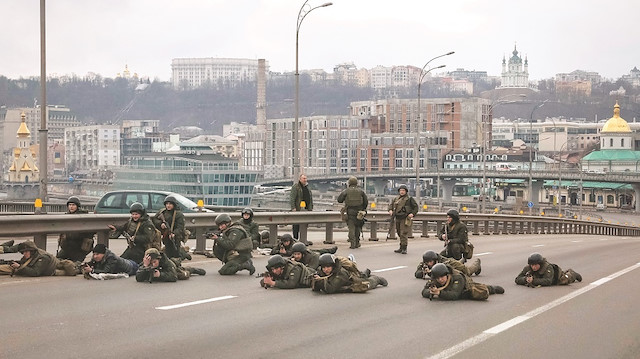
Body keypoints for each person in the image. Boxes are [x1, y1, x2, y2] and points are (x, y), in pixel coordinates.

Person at [423, 263, 504, 301]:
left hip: (466, 288)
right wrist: (431, 292)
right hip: (448, 290)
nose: (440, 280)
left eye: (442, 277)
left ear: (447, 274)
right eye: (438, 278)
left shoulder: (457, 277)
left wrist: (439, 293)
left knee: (478, 291)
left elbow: (455, 295)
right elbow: (424, 291)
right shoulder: (435, 279)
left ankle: (492, 288)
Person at [311, 254, 387, 294]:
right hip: (342, 282)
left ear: (333, 266)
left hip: (351, 280)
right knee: (361, 275)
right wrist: (315, 279)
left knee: (366, 282)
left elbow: (331, 289)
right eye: (323, 267)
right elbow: (316, 289)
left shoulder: (341, 274)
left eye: (328, 267)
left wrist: (319, 281)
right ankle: (365, 273)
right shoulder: (321, 271)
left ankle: (377, 279)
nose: (325, 270)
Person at [0, 241, 77, 277]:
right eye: (23, 252)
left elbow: (35, 272)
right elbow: (24, 263)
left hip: (53, 270)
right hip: (44, 268)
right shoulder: (31, 255)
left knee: (73, 268)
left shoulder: (43, 258)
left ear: (32, 251)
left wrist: (19, 267)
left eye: (26, 252)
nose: (24, 254)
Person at [56, 196, 95, 263]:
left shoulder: (83, 216)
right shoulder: (66, 217)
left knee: (75, 266)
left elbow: (91, 230)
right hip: (67, 247)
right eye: (70, 205)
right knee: (56, 262)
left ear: (77, 206)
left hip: (79, 248)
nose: (71, 207)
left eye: (73, 205)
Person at [152, 195, 191, 261]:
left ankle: (184, 254)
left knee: (176, 253)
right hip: (166, 234)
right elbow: (154, 220)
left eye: (170, 204)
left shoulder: (178, 214)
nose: (168, 205)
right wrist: (161, 224)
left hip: (175, 236)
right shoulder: (162, 212)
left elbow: (180, 227)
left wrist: (174, 233)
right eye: (167, 204)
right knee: (168, 251)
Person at [515, 253, 582, 287]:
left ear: (540, 264)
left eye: (535, 265)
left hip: (557, 278)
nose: (533, 267)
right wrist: (525, 279)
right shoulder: (528, 268)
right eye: (532, 265)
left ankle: (573, 274)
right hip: (541, 277)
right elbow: (517, 279)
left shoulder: (547, 267)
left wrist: (533, 281)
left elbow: (548, 281)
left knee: (565, 280)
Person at [337, 176, 369, 249]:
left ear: (349, 183)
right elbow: (366, 202)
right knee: (358, 227)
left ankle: (352, 243)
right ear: (356, 183)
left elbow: (339, 200)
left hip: (350, 211)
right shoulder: (361, 191)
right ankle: (357, 242)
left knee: (351, 227)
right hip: (359, 212)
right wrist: (363, 209)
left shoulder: (346, 191)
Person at [388, 184, 418, 254]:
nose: (402, 192)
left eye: (403, 190)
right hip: (397, 217)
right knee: (399, 232)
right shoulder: (396, 199)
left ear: (406, 191)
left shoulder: (409, 199)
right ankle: (401, 247)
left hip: (405, 217)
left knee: (403, 233)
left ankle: (404, 248)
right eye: (401, 190)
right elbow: (391, 205)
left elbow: (415, 207)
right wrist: (390, 210)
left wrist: (412, 214)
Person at [415, 250, 481, 279]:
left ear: (434, 259)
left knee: (467, 271)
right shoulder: (425, 263)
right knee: (460, 263)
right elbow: (417, 274)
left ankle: (477, 263)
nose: (429, 264)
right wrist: (423, 272)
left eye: (430, 261)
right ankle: (462, 260)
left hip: (452, 264)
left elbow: (448, 271)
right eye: (427, 262)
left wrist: (431, 271)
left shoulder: (443, 262)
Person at [290, 173, 313, 240]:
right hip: (298, 209)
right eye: (303, 178)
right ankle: (295, 239)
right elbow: (292, 198)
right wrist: (293, 207)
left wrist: (311, 207)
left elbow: (310, 198)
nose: (305, 180)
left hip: (306, 209)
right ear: (300, 179)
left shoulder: (307, 187)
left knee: (304, 225)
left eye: (306, 178)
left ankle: (303, 239)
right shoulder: (296, 187)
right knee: (296, 225)